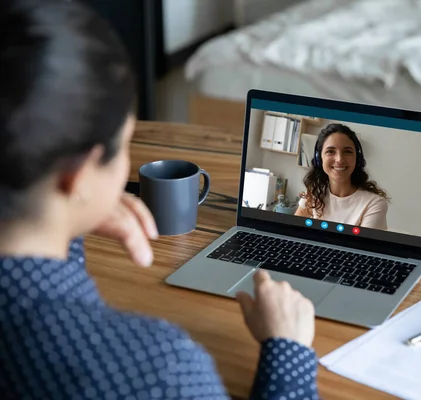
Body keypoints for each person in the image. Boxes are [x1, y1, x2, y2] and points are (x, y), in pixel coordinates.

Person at [0, 1, 319, 399]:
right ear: (78, 175)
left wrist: (68, 222)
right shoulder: (159, 367)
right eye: (124, 144)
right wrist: (289, 354)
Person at [295, 123, 389, 229]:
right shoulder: (313, 194)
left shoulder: (374, 204)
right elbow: (293, 231)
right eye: (330, 151)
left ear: (357, 159)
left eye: (347, 152)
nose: (339, 159)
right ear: (319, 159)